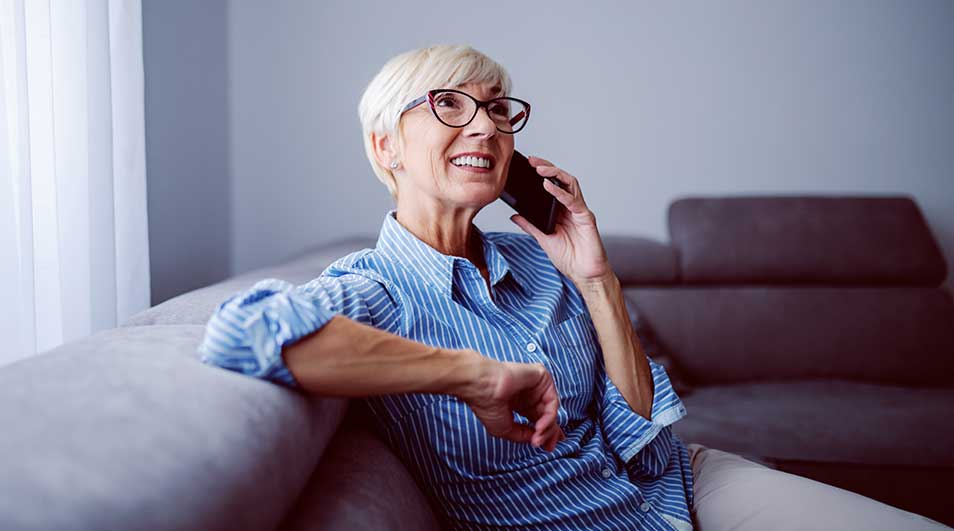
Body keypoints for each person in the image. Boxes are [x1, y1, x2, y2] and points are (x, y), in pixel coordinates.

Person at [198, 44, 949, 531]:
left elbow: (641, 421)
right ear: (384, 144)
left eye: (498, 110)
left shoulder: (537, 263)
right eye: (449, 105)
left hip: (682, 487)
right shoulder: (373, 287)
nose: (486, 128)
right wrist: (474, 373)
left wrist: (595, 275)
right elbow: (240, 332)